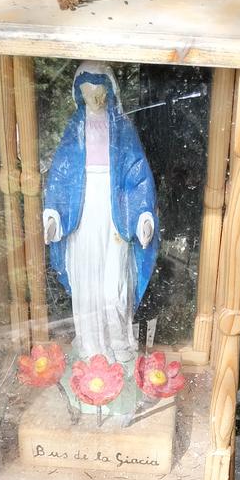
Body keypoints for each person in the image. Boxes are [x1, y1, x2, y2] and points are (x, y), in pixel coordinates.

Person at [43, 62, 158, 365]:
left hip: (114, 212)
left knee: (113, 289)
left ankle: (121, 350)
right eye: (87, 91)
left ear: (110, 91)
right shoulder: (74, 130)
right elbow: (61, 174)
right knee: (86, 285)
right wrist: (54, 214)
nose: (94, 98)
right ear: (78, 93)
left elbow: (137, 174)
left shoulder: (122, 130)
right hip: (81, 215)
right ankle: (92, 352)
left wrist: (142, 216)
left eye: (100, 90)